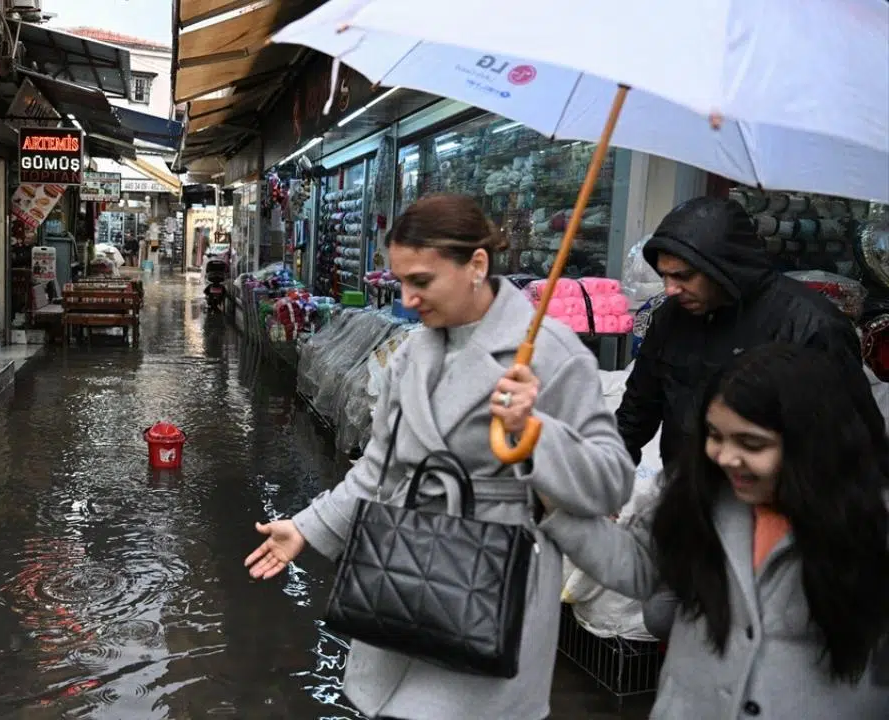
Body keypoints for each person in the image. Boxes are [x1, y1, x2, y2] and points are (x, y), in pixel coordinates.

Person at [243, 194, 634, 720]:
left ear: (476, 265)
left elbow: (612, 483)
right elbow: (380, 469)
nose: (406, 299)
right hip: (402, 581)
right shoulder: (414, 352)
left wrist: (535, 432)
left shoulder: (552, 355)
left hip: (488, 595)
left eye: (421, 281)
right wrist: (308, 528)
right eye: (401, 281)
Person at [541, 344, 889, 717]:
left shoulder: (872, 525)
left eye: (751, 444)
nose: (725, 457)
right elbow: (641, 568)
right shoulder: (695, 494)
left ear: (812, 444)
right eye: (714, 435)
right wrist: (554, 504)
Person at [615, 196, 868, 468]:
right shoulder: (672, 316)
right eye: (664, 276)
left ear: (723, 267)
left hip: (776, 501)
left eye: (683, 276)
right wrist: (605, 476)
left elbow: (847, 441)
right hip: (686, 493)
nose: (670, 289)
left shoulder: (812, 326)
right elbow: (637, 410)